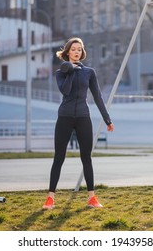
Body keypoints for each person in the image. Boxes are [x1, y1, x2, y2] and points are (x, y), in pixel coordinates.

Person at [42, 37, 114, 209]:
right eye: (73, 49)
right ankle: (50, 198)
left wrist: (107, 119)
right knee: (59, 157)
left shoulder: (89, 72)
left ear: (82, 53)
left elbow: (97, 96)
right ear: (67, 52)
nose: (77, 52)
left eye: (79, 49)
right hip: (65, 117)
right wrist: (70, 71)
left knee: (86, 157)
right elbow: (65, 91)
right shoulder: (61, 72)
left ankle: (92, 198)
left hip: (83, 117)